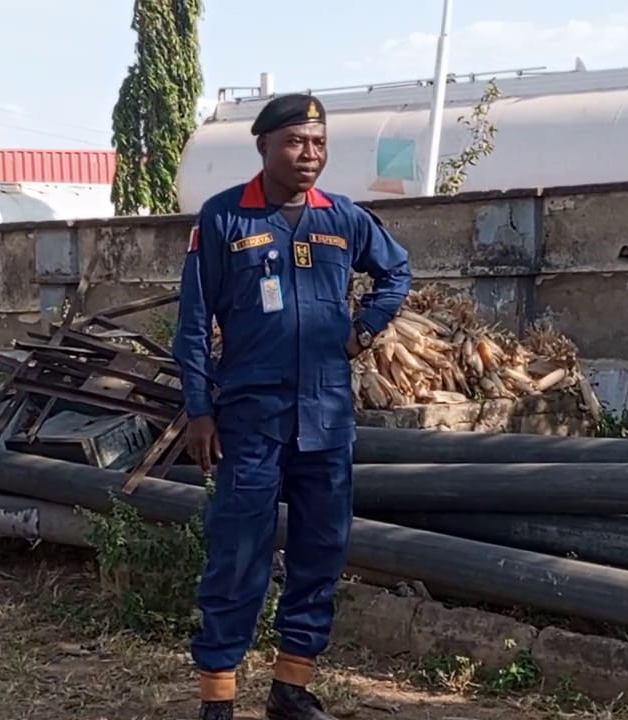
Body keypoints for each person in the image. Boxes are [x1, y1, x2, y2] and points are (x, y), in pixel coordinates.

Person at [172, 94, 412, 720]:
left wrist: (365, 329)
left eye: (319, 143)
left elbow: (396, 271)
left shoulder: (344, 218)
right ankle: (218, 696)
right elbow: (194, 325)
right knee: (237, 555)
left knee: (319, 553)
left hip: (326, 422)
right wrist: (200, 409)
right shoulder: (224, 219)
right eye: (296, 143)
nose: (310, 155)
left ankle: (291, 687)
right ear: (264, 147)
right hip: (250, 424)